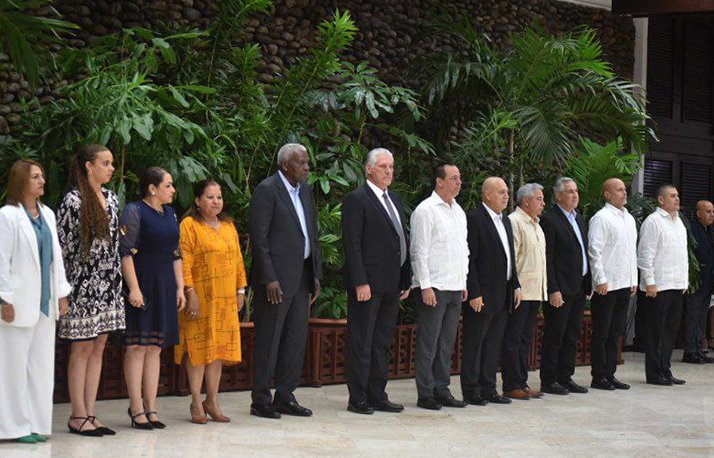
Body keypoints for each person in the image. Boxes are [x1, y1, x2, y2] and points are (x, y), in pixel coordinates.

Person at [0, 160, 71, 443]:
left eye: (42, 175)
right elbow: (1, 260)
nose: (42, 180)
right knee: (13, 368)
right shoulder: (7, 216)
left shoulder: (48, 214)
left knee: (41, 368)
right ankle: (14, 427)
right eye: (35, 177)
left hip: (45, 302)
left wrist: (62, 293)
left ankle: (37, 424)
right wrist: (4, 299)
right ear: (20, 182)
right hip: (16, 303)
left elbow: (57, 258)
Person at [249, 143, 322, 419]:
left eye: (307, 162)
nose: (306, 167)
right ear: (285, 165)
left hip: (302, 277)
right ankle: (260, 399)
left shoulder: (305, 191)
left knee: (294, 339)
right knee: (270, 339)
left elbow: (310, 234)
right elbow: (259, 239)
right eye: (301, 163)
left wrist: (315, 273)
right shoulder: (267, 190)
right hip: (276, 282)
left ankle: (285, 395)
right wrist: (269, 278)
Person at [57, 145, 125, 436]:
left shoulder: (111, 198)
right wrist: (64, 289)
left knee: (99, 347)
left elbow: (116, 246)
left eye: (111, 163)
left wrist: (116, 282)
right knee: (81, 348)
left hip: (108, 284)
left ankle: (91, 412)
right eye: (106, 163)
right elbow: (62, 247)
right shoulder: (72, 200)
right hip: (81, 286)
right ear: (89, 166)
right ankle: (77, 415)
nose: (111, 168)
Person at [342, 148, 411, 415]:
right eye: (383, 166)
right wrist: (360, 281)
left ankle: (377, 393)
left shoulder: (393, 198)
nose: (388, 171)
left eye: (391, 167)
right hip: (368, 284)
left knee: (382, 341)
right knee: (362, 341)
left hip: (392, 283)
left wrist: (406, 278)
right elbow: (353, 243)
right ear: (369, 169)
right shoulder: (357, 199)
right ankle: (357, 397)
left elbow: (400, 240)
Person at [176, 180, 248, 424]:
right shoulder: (189, 225)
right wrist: (189, 292)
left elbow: (238, 259)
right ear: (197, 200)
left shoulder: (228, 226)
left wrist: (240, 290)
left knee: (217, 350)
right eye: (210, 197)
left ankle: (213, 400)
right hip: (199, 298)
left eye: (219, 197)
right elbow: (183, 261)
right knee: (197, 350)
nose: (216, 201)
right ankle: (196, 400)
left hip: (225, 298)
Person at [120, 167, 185, 429]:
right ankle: (135, 407)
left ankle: (152, 407)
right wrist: (134, 288)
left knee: (155, 347)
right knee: (137, 346)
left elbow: (176, 253)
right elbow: (125, 253)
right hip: (143, 282)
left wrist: (180, 287)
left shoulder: (171, 213)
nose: (173, 190)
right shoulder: (135, 211)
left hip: (165, 284)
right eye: (168, 185)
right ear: (152, 188)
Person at [410, 164, 469, 410]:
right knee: (428, 342)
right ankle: (425, 393)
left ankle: (441, 389)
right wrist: (425, 286)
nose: (458, 183)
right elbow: (419, 251)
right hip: (433, 286)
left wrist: (464, 281)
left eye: (459, 179)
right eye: (453, 178)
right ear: (439, 182)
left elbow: (463, 249)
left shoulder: (459, 212)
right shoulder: (426, 210)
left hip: (455, 286)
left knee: (446, 343)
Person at [461, 177, 520, 406]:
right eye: (501, 192)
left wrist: (515, 284)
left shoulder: (505, 220)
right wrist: (474, 291)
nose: (506, 196)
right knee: (475, 343)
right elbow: (470, 259)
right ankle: (471, 389)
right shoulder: (475, 219)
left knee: (493, 344)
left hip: (503, 292)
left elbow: (509, 257)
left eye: (507, 192)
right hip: (482, 295)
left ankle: (488, 388)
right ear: (487, 195)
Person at [539, 177, 591, 395]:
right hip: (560, 289)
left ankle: (565, 376)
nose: (574, 195)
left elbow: (582, 252)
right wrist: (553, 289)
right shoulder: (550, 220)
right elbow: (548, 258)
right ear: (558, 195)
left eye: (576, 191)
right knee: (556, 335)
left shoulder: (578, 218)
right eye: (569, 191)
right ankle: (549, 380)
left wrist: (588, 284)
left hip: (578, 287)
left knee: (572, 334)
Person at [587, 178, 638, 390]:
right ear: (607, 194)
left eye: (624, 190)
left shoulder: (629, 218)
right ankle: (599, 376)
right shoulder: (601, 218)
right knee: (602, 331)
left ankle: (610, 373)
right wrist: (600, 279)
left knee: (616, 331)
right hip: (606, 286)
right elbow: (594, 251)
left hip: (624, 284)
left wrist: (634, 279)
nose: (624, 193)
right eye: (619, 190)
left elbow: (631, 253)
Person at [638, 185, 688, 386]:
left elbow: (682, 255)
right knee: (655, 331)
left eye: (677, 195)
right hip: (658, 286)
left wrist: (684, 281)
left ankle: (665, 369)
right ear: (661, 200)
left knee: (670, 330)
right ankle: (654, 373)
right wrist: (650, 282)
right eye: (672, 196)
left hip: (676, 285)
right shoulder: (653, 222)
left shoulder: (679, 223)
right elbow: (645, 254)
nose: (677, 199)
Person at [501, 183, 547, 400]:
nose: (543, 203)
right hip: (520, 292)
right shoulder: (514, 221)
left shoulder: (537, 224)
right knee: (513, 339)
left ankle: (522, 381)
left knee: (525, 339)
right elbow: (513, 259)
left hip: (535, 291)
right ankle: (511, 384)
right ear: (526, 201)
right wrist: (515, 287)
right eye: (539, 199)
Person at [683, 200, 714, 364]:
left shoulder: (710, 230)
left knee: (702, 316)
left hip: (708, 282)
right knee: (692, 316)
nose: (711, 215)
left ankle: (698, 348)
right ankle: (689, 350)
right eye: (708, 212)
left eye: (712, 212)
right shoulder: (692, 229)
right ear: (698, 213)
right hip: (695, 281)